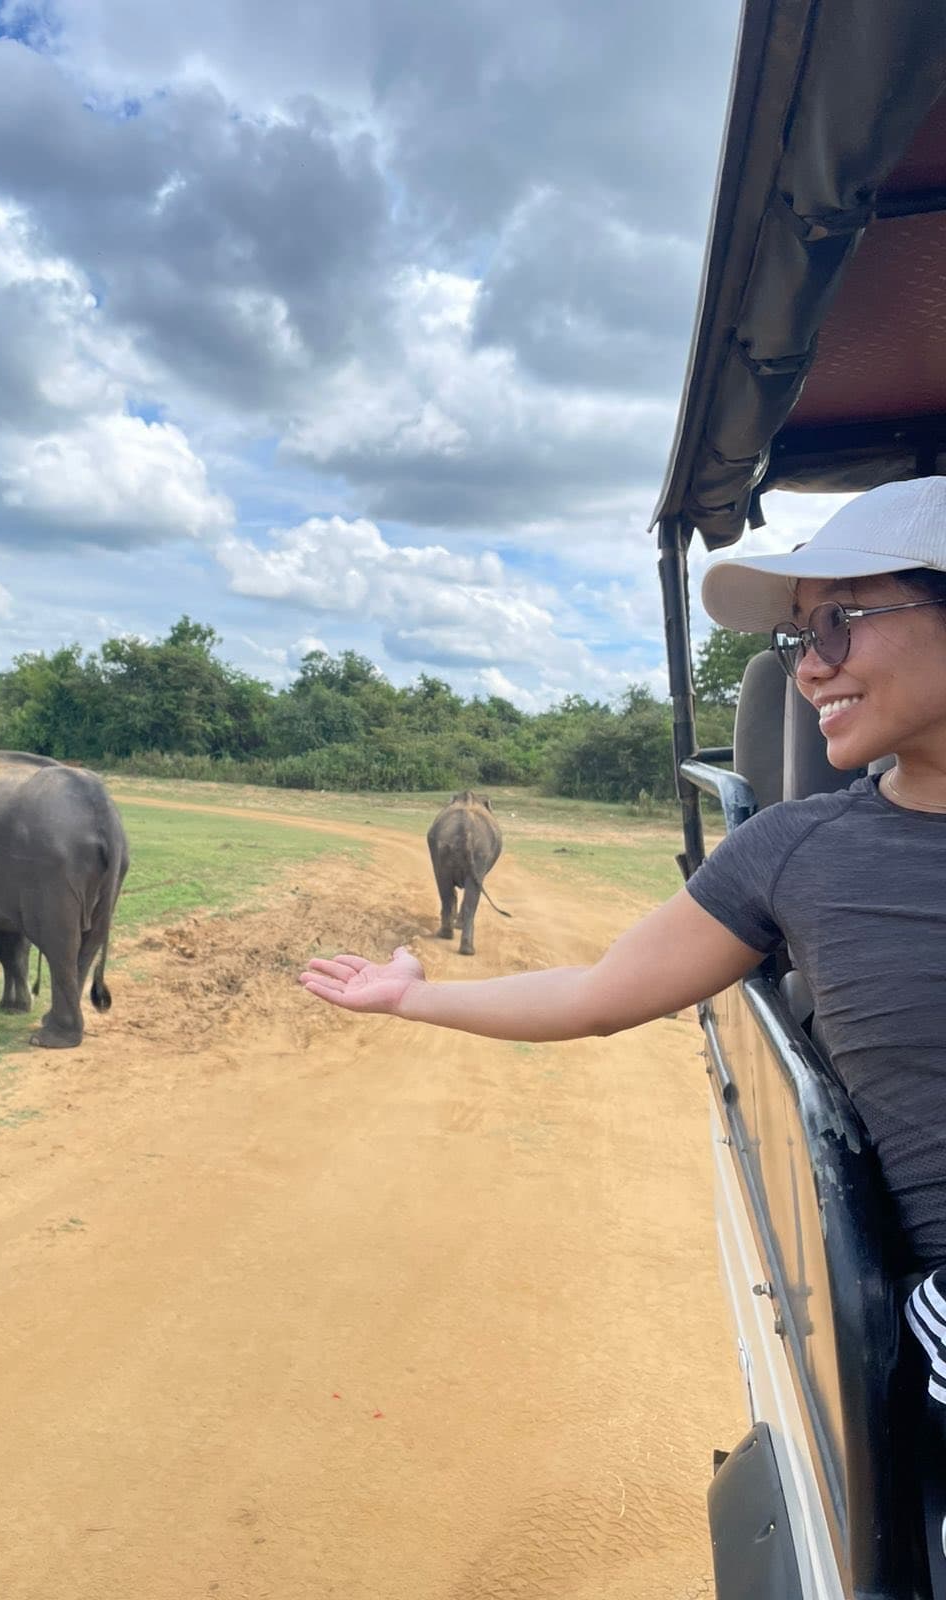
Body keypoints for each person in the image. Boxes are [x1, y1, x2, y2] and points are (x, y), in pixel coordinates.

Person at [299, 474, 946, 1396]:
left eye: (838, 622)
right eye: (800, 636)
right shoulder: (795, 852)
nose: (808, 667)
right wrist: (412, 993)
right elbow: (596, 992)